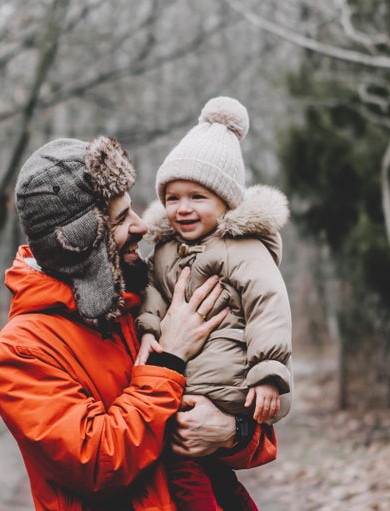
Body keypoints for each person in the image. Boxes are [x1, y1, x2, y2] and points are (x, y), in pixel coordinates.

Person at [0, 135, 277, 511]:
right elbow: (99, 464)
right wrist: (169, 358)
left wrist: (230, 432)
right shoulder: (22, 351)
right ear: (84, 242)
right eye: (122, 218)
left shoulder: (144, 303)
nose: (141, 226)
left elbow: (256, 427)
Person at [135, 96, 294, 511]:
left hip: (228, 385)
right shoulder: (166, 251)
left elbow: (268, 305)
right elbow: (152, 289)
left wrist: (268, 373)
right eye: (172, 197)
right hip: (188, 383)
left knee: (184, 466)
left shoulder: (243, 249)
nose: (182, 208)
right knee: (212, 476)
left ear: (226, 202)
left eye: (197, 197)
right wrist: (150, 330)